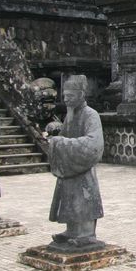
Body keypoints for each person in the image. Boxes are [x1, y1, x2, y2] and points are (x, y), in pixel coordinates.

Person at [48, 75, 105, 248]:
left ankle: (87, 233)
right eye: (64, 96)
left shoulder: (91, 115)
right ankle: (72, 229)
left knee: (83, 199)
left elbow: (94, 144)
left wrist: (61, 143)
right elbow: (65, 136)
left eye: (70, 96)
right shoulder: (70, 116)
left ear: (81, 95)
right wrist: (57, 140)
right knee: (69, 197)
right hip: (70, 167)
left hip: (83, 170)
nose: (66, 99)